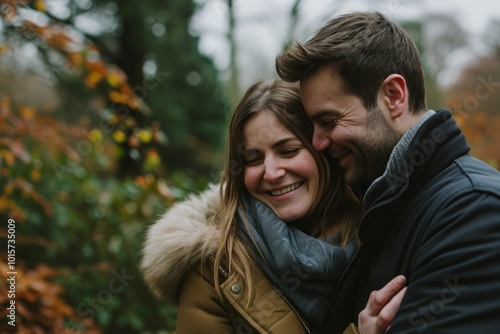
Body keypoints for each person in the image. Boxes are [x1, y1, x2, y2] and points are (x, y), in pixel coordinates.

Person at [276, 11, 500, 334]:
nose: (317, 142)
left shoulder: (475, 212)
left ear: (393, 96)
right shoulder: (383, 205)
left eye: (328, 121)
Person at [140, 79, 404, 334]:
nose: (271, 172)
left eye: (288, 151)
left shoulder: (378, 232)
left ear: (322, 152)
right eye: (253, 159)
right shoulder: (215, 266)